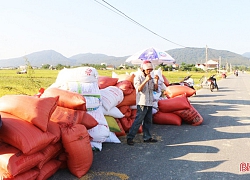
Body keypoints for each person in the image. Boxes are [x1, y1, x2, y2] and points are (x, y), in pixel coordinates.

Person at [126, 60, 159, 145]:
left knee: (148, 121)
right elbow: (138, 89)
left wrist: (156, 81)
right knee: (138, 121)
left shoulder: (151, 77)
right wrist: (146, 80)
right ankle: (130, 138)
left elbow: (154, 89)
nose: (150, 71)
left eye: (151, 70)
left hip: (149, 102)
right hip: (142, 102)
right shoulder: (138, 77)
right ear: (143, 69)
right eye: (148, 70)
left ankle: (147, 137)